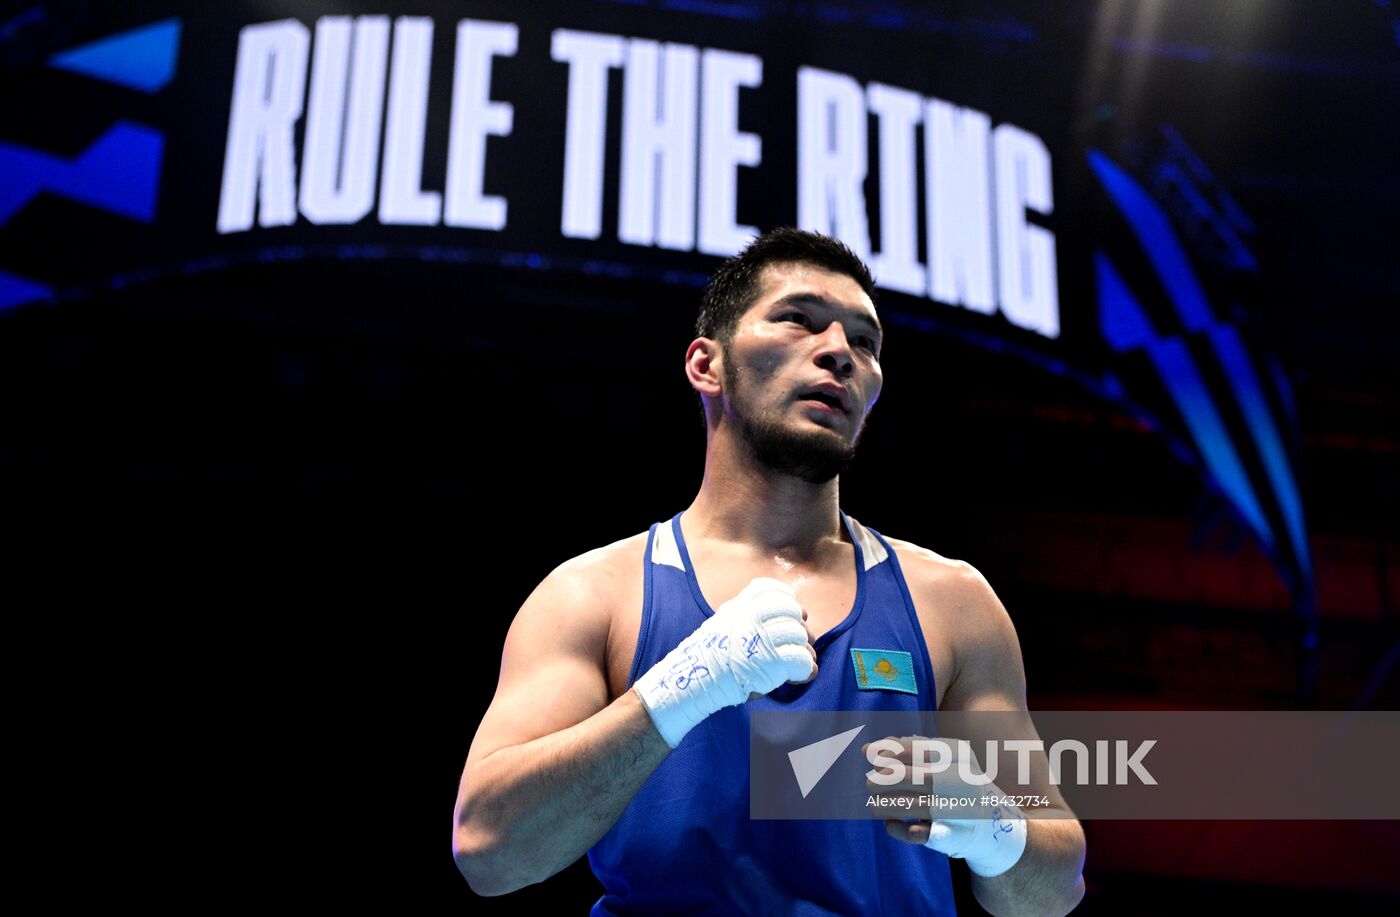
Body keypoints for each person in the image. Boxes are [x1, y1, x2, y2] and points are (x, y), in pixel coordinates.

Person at [452, 227, 1086, 914]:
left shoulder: (953, 604)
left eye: (864, 341)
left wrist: (997, 830)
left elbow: (1052, 892)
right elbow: (490, 847)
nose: (840, 352)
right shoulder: (595, 594)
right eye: (798, 319)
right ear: (706, 364)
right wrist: (678, 689)